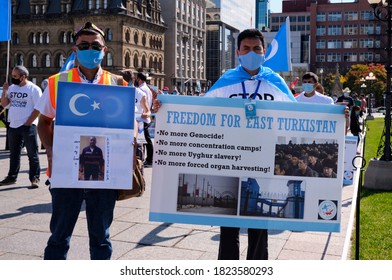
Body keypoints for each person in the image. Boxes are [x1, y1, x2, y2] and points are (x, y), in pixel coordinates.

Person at [36, 22, 128, 260]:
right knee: (58, 237)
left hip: (105, 175)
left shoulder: (119, 83)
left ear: (104, 49)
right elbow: (44, 121)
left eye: (95, 46)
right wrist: (49, 150)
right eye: (84, 45)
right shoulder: (59, 81)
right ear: (74, 50)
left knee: (101, 239)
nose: (90, 50)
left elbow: (133, 123)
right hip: (66, 172)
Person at [205, 29, 296, 260]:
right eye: (246, 48)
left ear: (264, 52)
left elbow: (300, 115)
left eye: (257, 49)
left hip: (263, 159)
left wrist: (336, 115)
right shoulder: (226, 81)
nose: (251, 53)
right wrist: (163, 108)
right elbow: (199, 110)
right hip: (229, 158)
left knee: (258, 221)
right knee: (228, 223)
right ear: (238, 52)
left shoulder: (275, 82)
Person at [0, 65, 42, 188]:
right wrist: (5, 92)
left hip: (28, 126)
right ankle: (12, 177)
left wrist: (29, 122)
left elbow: (38, 108)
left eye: (15, 76)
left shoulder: (34, 89)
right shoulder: (12, 88)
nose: (13, 78)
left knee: (32, 154)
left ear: (23, 77)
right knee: (14, 154)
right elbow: (4, 104)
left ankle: (34, 177)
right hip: (13, 125)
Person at [135, 72, 154, 167]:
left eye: (136, 78)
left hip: (141, 117)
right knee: (146, 139)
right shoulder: (148, 89)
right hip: (146, 116)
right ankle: (149, 158)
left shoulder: (141, 90)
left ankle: (149, 159)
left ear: (139, 79)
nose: (135, 80)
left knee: (144, 140)